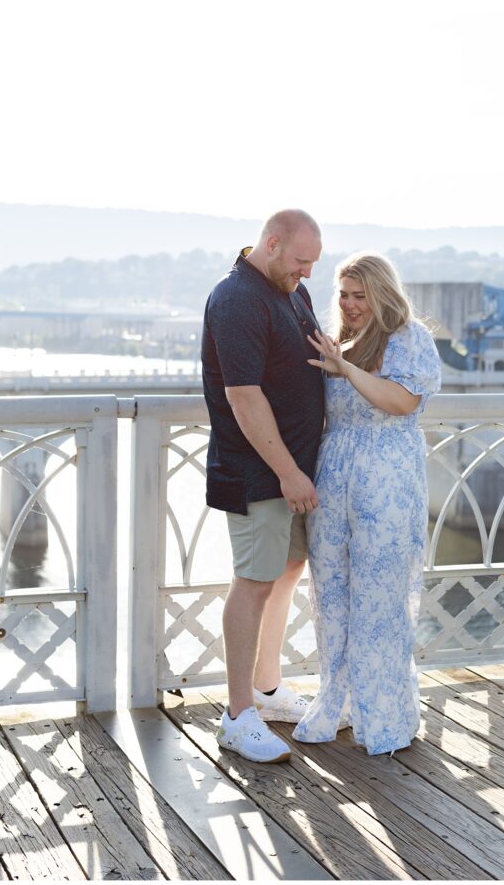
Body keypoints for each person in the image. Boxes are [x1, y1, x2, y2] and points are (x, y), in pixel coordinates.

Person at [292, 252, 441, 756]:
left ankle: (385, 713)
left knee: (380, 597)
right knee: (330, 594)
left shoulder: (408, 339)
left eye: (361, 295)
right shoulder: (341, 344)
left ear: (383, 293)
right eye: (344, 295)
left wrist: (343, 369)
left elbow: (401, 401)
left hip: (388, 479)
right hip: (334, 477)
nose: (351, 305)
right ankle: (338, 702)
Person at [201, 209, 324, 763]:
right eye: (301, 261)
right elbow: (243, 396)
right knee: (252, 581)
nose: (307, 273)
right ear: (271, 244)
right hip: (260, 472)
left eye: (312, 263)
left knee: (287, 571)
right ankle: (236, 715)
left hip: (296, 470)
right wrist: (288, 472)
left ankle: (267, 690)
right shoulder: (238, 299)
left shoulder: (289, 289)